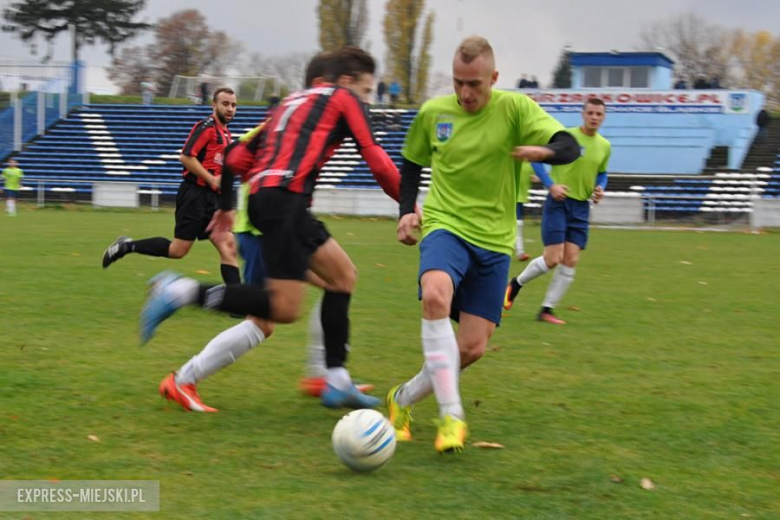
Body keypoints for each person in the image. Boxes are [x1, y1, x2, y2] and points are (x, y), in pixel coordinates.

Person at [139, 47, 404, 410]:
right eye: (367, 90)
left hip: (275, 208)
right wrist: (409, 206)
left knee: (341, 277)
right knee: (277, 312)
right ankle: (182, 296)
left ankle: (332, 377)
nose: (367, 99)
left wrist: (228, 209)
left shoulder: (287, 108)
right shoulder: (338, 99)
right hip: (275, 214)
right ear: (337, 82)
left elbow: (234, 158)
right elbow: (374, 155)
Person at [388, 36, 580, 453]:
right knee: (435, 295)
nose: (465, 93)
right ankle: (452, 415)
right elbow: (411, 163)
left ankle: (401, 399)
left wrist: (542, 151)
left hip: (493, 241)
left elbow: (570, 145)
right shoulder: (433, 113)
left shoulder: (515, 109)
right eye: (458, 82)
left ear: (493, 77)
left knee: (472, 348)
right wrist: (407, 209)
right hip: (445, 225)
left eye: (474, 84)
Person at [102, 88, 241, 287]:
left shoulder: (227, 134)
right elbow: (185, 157)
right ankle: (126, 246)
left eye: (233, 105)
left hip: (213, 199)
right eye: (225, 104)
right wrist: (211, 178)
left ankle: (237, 301)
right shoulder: (207, 127)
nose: (230, 109)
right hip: (195, 195)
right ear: (214, 105)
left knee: (227, 245)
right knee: (178, 250)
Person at [504, 98, 611, 325]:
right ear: (583, 114)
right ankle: (515, 284)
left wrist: (601, 187)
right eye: (590, 113)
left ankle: (546, 310)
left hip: (581, 208)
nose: (594, 117)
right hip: (558, 203)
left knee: (571, 260)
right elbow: (536, 160)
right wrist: (550, 185)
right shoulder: (565, 138)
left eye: (598, 114)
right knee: (552, 259)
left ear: (604, 117)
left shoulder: (604, 146)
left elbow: (602, 172)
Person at [514, 161, 534, 261]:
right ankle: (520, 252)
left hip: (519, 199)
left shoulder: (530, 165)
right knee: (518, 224)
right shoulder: (513, 162)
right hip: (509, 197)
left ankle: (520, 252)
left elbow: (536, 177)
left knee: (518, 224)